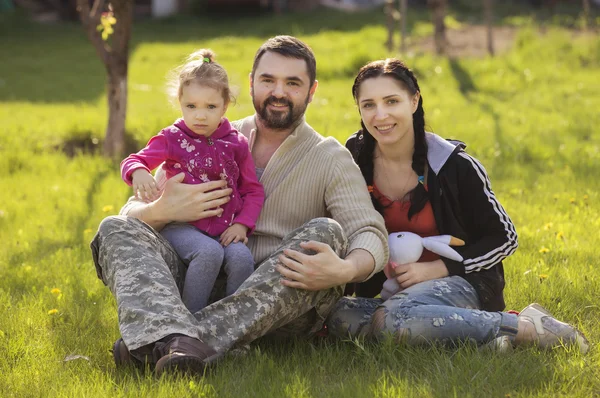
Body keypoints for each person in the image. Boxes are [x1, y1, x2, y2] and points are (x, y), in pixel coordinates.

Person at [91, 36, 388, 375]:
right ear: (250, 84)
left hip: (272, 298)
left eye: (292, 83)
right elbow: (132, 216)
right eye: (267, 80)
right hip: (196, 278)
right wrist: (163, 210)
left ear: (312, 90)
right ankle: (179, 343)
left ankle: (160, 339)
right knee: (113, 226)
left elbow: (370, 232)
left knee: (328, 232)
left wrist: (347, 270)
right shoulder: (206, 132)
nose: (278, 92)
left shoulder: (330, 157)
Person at [326, 58, 589, 353]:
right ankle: (484, 340)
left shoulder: (454, 166)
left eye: (391, 101)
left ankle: (524, 326)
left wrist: (440, 267)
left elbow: (505, 238)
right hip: (392, 290)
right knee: (338, 315)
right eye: (369, 105)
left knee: (391, 320)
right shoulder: (355, 156)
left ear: (414, 101)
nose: (381, 115)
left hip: (461, 282)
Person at [120, 49, 264, 314]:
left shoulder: (236, 143)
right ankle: (188, 324)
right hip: (181, 226)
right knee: (209, 253)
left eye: (210, 107)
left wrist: (242, 225)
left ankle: (229, 325)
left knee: (242, 259)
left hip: (224, 228)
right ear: (180, 102)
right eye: (191, 106)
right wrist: (139, 172)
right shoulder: (172, 138)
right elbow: (134, 160)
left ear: (225, 106)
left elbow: (253, 190)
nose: (200, 115)